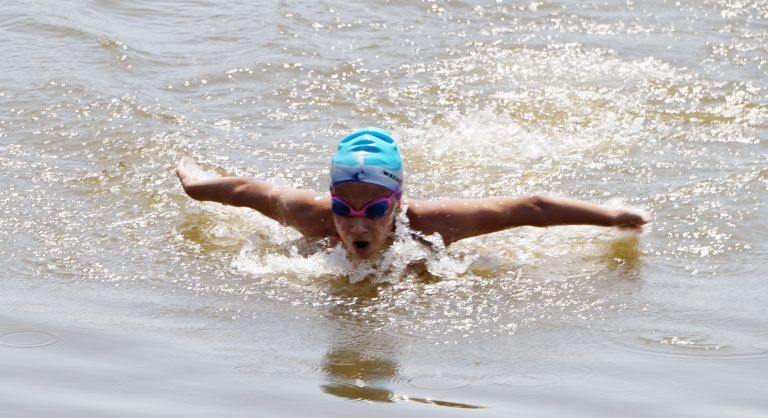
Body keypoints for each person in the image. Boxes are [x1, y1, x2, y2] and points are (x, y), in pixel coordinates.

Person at [175, 127, 647, 260]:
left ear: (397, 203)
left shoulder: (434, 225)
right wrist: (194, 179)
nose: (356, 223)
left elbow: (531, 208)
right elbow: (241, 190)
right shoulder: (311, 216)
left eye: (374, 209)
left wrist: (611, 215)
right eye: (344, 207)